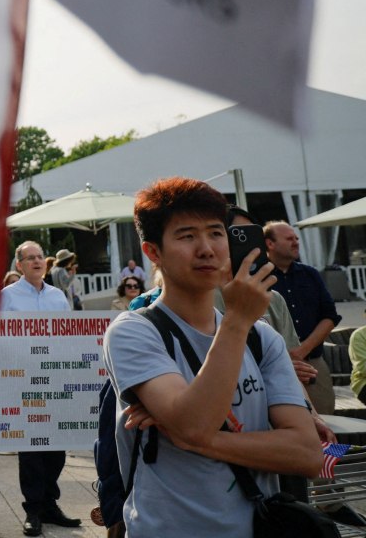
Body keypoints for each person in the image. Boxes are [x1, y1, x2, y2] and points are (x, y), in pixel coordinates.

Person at [103, 178, 322, 537]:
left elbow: (307, 454)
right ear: (153, 252)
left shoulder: (261, 338)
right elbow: (195, 424)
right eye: (187, 236)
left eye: (216, 233)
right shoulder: (134, 331)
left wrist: (192, 439)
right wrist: (236, 320)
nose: (206, 249)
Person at [0, 241, 83, 536]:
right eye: (30, 258)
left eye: (39, 257)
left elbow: (69, 334)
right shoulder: (7, 297)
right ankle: (33, 509)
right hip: (23, 379)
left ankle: (50, 504)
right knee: (32, 447)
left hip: (54, 377)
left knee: (56, 446)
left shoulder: (57, 296)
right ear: (19, 265)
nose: (37, 262)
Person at [265, 220, 342, 414]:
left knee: (324, 418)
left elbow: (330, 316)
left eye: (296, 238)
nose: (296, 242)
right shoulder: (258, 277)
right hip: (271, 367)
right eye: (289, 238)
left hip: (312, 363)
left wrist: (302, 350)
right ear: (269, 243)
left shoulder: (310, 274)